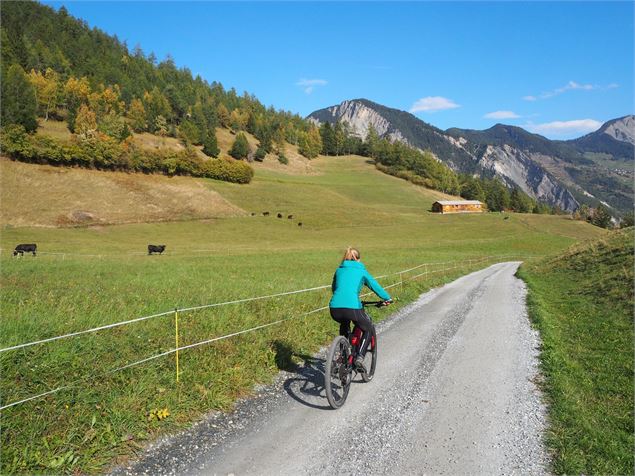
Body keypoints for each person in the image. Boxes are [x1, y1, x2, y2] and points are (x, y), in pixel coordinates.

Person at [329, 246, 392, 371]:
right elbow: (375, 286)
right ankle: (360, 357)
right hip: (352, 307)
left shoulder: (339, 270)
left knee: (344, 322)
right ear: (358, 259)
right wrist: (387, 298)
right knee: (368, 327)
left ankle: (343, 354)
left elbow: (334, 288)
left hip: (334, 308)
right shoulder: (361, 271)